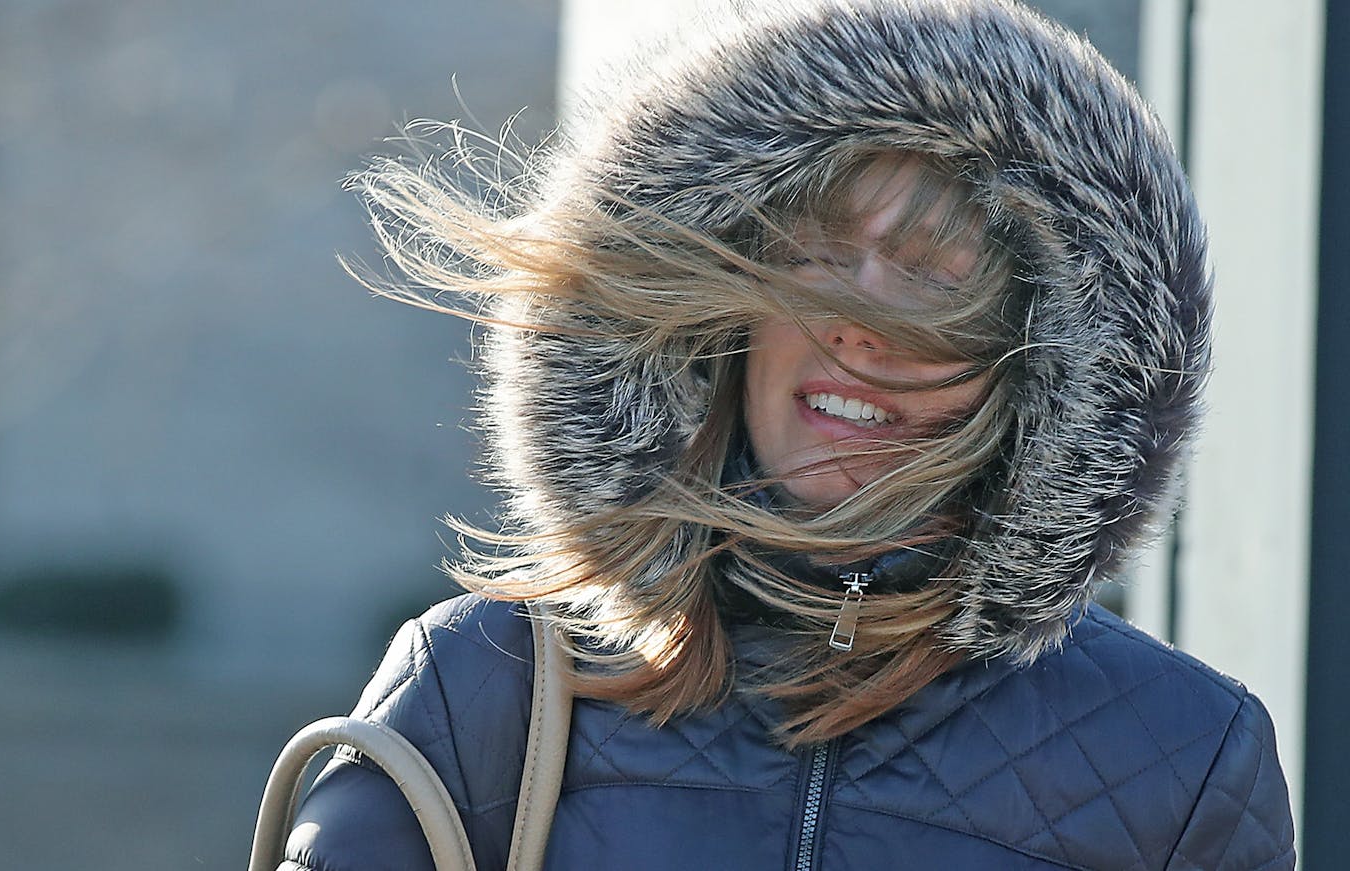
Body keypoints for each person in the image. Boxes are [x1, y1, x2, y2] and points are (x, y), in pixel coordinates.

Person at [279, 1, 1295, 868]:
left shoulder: (1181, 754)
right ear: (727, 314)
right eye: (809, 252)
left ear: (1035, 365)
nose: (857, 326)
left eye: (936, 276)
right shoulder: (481, 684)